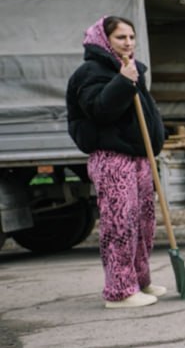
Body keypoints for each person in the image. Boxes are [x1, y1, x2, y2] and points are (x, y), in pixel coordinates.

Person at [65, 15, 168, 309]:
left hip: (138, 157)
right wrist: (123, 81)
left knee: (143, 223)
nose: (128, 43)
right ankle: (120, 290)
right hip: (112, 159)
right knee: (120, 223)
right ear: (104, 40)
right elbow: (99, 110)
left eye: (132, 37)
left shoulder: (132, 69)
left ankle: (139, 279)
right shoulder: (90, 72)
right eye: (121, 38)